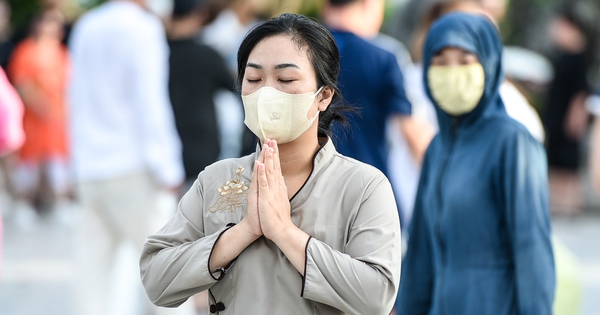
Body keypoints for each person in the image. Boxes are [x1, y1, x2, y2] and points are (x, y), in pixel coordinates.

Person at [140, 13, 401, 315]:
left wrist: (284, 232)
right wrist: (242, 232)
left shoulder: (364, 186)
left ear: (324, 96)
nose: (266, 92)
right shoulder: (216, 179)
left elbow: (377, 297)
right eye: (253, 79)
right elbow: (155, 280)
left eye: (286, 79)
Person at [396, 12, 555, 314]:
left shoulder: (512, 143)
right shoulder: (438, 147)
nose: (451, 72)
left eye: (465, 60)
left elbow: (532, 251)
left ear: (489, 64)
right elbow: (421, 254)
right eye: (440, 61)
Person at [68, 0, 186, 314]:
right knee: (165, 275)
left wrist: (74, 163)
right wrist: (168, 167)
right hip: (135, 167)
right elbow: (150, 103)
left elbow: (75, 97)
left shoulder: (87, 25)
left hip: (91, 167)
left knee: (95, 280)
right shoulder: (143, 29)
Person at [7, 10, 71, 222]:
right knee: (29, 168)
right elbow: (23, 83)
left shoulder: (61, 53)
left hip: (57, 120)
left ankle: (59, 204)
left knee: (57, 166)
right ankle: (23, 204)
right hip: (34, 120)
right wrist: (40, 105)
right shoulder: (26, 51)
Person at [167, 0, 237, 191]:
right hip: (201, 152)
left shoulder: (157, 53)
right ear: (200, 14)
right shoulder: (207, 55)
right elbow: (239, 89)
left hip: (164, 152)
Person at [543, 2, 595, 215]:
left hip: (568, 116)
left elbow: (582, 92)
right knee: (556, 160)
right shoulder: (562, 54)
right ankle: (558, 202)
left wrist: (577, 117)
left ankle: (571, 204)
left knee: (568, 161)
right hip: (556, 114)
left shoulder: (579, 56)